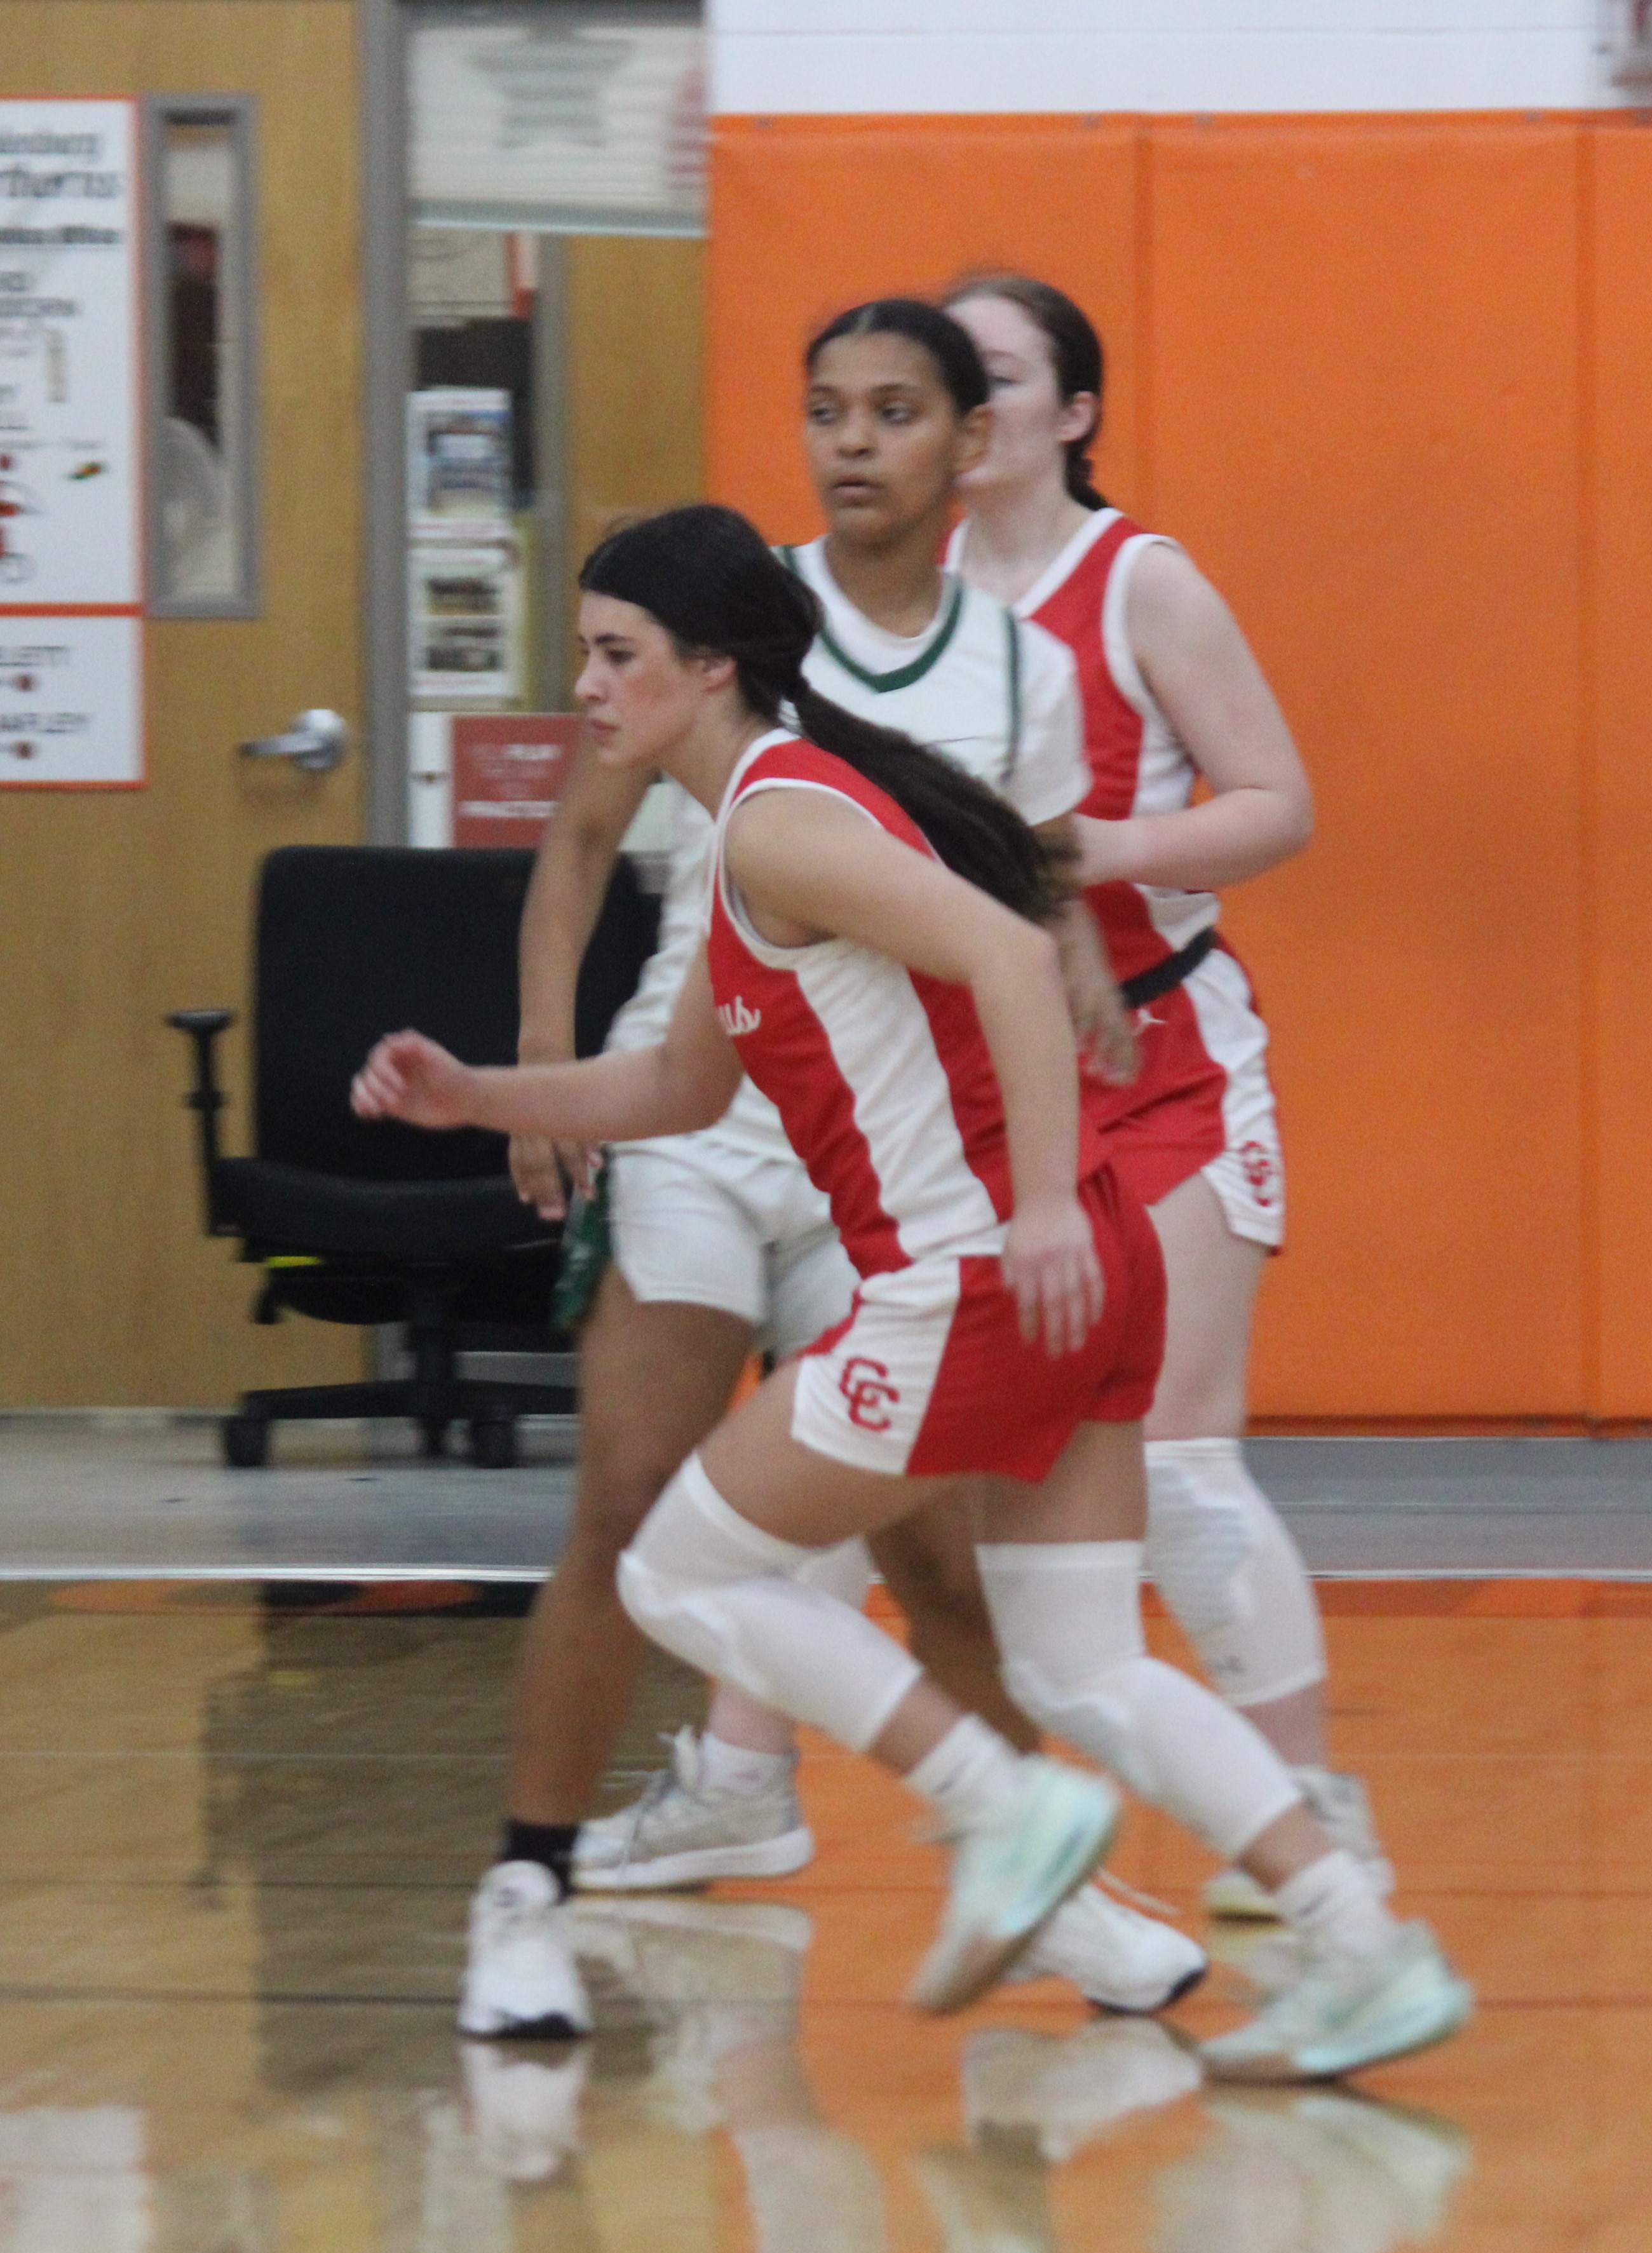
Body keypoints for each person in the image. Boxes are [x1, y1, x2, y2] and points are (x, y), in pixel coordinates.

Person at [355, 502, 1473, 2079]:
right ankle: (1364, 1947)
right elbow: (680, 1089)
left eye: (615, 655)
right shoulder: (758, 825)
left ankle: (997, 1807)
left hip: (974, 1284)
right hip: (1080, 1273)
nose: (586, 689)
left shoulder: (777, 823)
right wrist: (478, 1096)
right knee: (1086, 1667)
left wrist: (1036, 1206)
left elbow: (1012, 957)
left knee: (673, 1573)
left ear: (710, 665)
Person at [470, 299, 1204, 2041]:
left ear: (971, 440)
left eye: (894, 410)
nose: (854, 441)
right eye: (825, 410)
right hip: (706, 1113)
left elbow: (1022, 901)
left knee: (931, 1563)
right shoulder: (714, 610)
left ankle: (1048, 1890)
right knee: (629, 1503)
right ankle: (526, 1885)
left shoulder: (1015, 665)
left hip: (883, 1165)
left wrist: (1073, 1041)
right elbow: (581, 854)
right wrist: (521, 1079)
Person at [943, 271, 1389, 1918]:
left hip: (1157, 1049)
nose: (967, 400)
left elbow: (1277, 803)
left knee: (1182, 1463)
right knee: (917, 1473)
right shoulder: (888, 595)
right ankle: (760, 1779)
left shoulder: (1140, 582)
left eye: (1000, 372)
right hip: (977, 1075)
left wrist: (1104, 848)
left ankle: (1315, 1816)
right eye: (944, 372)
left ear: (1073, 412)